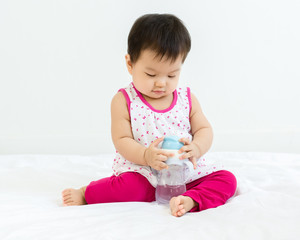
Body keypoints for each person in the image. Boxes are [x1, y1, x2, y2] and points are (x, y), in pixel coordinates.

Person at [62, 13, 237, 217]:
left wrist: (196, 148)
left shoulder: (186, 98)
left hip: (184, 171)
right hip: (143, 172)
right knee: (129, 188)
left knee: (227, 179)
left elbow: (204, 129)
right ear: (130, 64)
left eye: (172, 75)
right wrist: (146, 156)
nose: (162, 82)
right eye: (151, 74)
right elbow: (122, 139)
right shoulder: (124, 100)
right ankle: (86, 193)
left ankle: (190, 199)